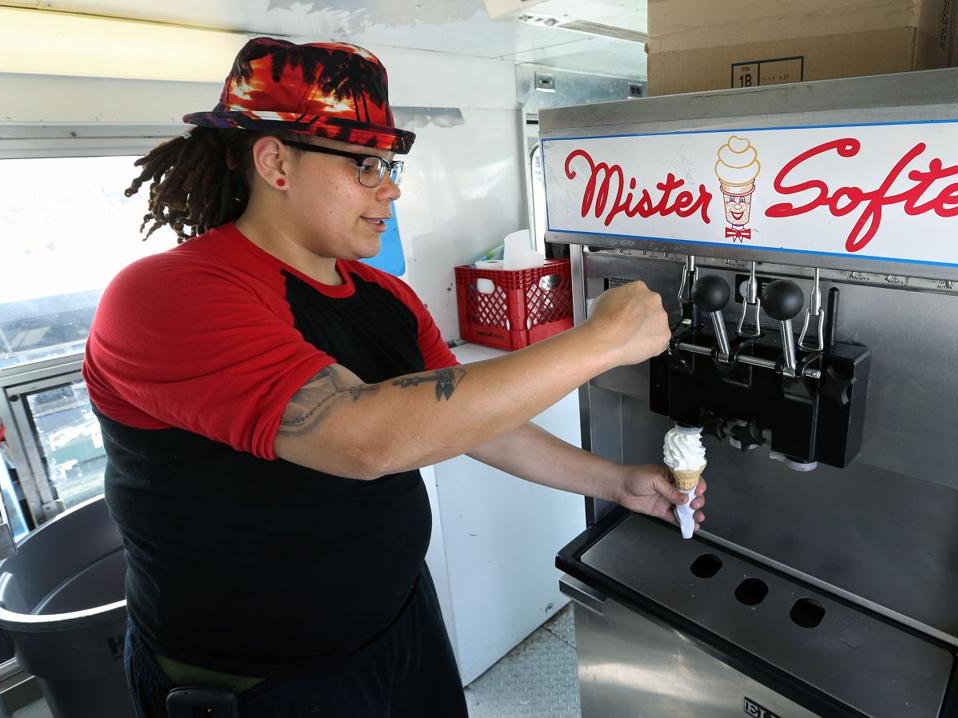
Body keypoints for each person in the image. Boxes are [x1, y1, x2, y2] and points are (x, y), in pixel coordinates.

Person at [82, 37, 707, 717]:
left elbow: (473, 424)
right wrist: (602, 342)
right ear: (275, 162)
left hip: (400, 622)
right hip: (259, 681)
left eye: (389, 163)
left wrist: (613, 482)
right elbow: (364, 440)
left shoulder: (385, 295)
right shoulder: (168, 296)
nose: (392, 187)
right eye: (366, 164)